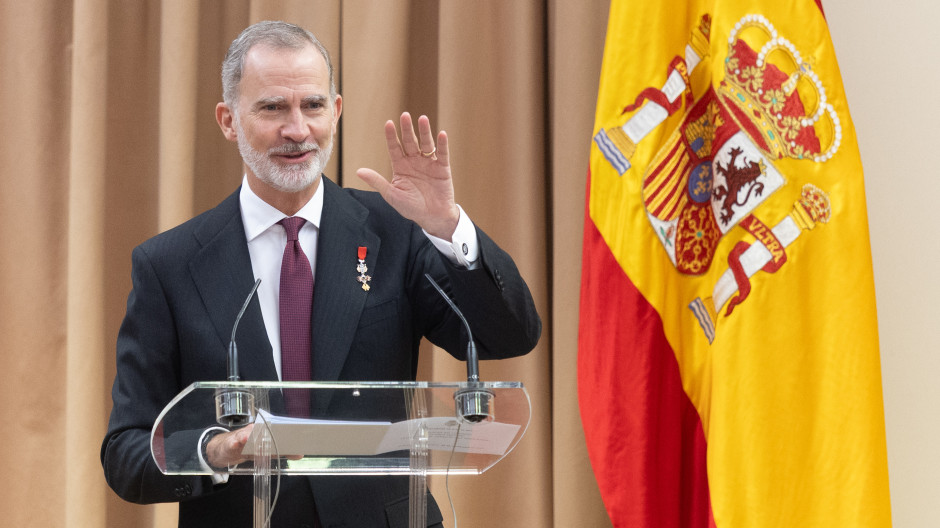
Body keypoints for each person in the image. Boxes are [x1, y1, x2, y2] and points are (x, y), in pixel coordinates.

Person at [100, 20, 540, 528]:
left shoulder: (397, 231)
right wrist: (216, 450)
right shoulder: (169, 264)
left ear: (336, 111)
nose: (297, 130)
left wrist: (447, 226)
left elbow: (510, 335)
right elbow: (126, 453)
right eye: (272, 108)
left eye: (312, 105)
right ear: (228, 120)